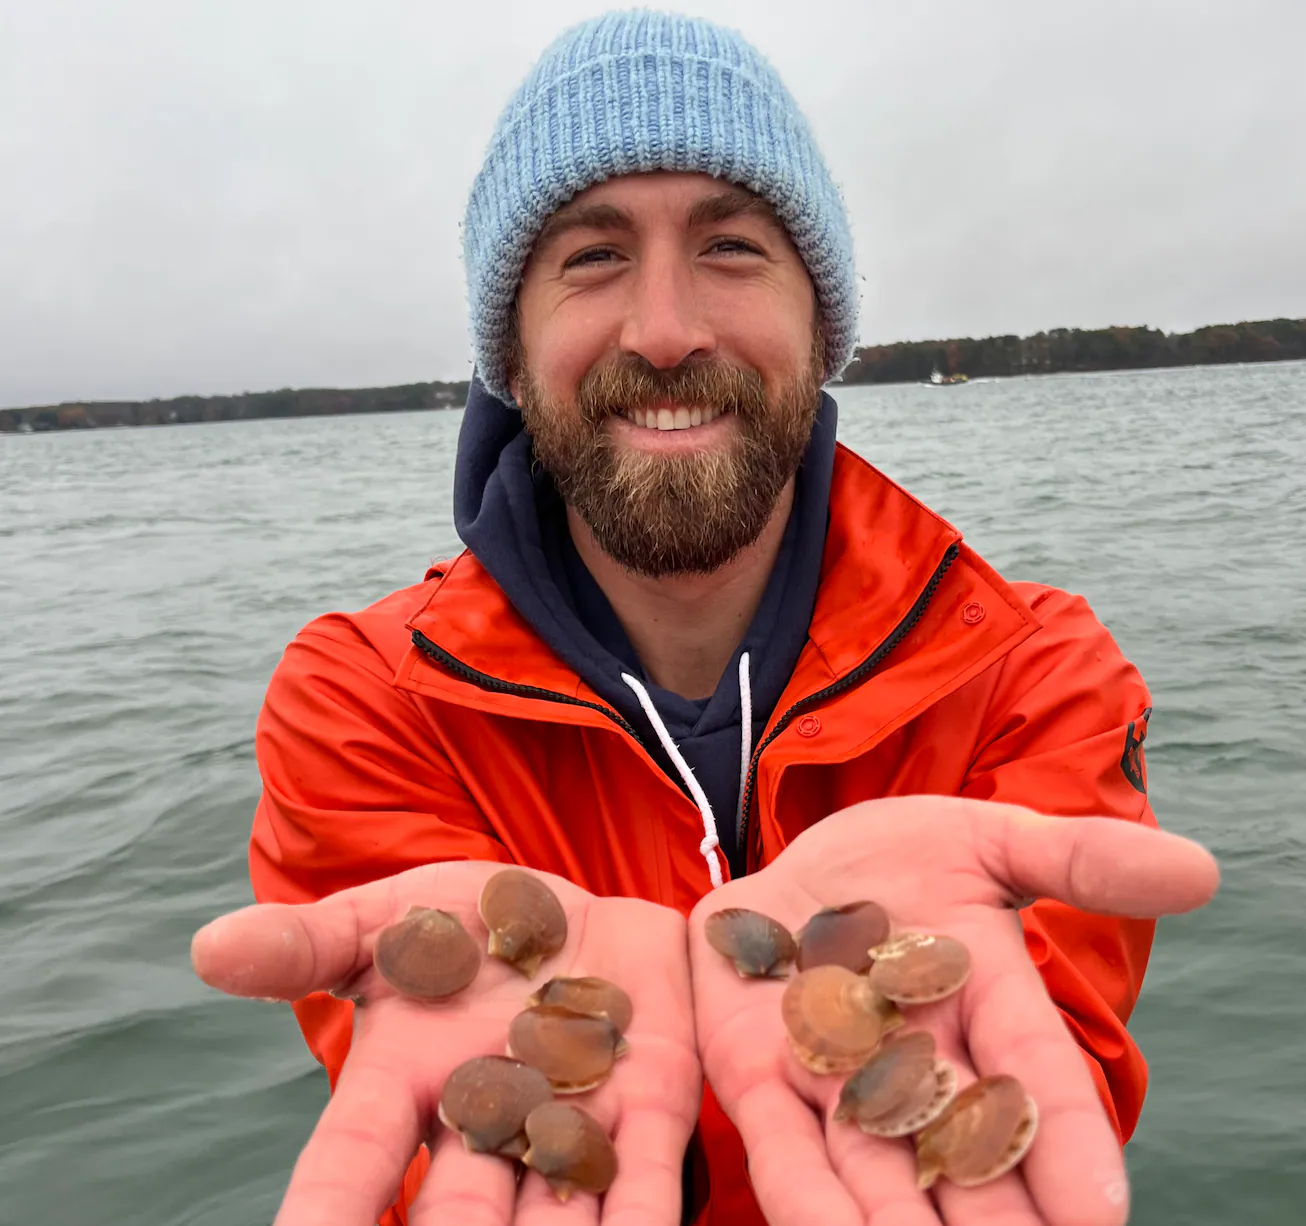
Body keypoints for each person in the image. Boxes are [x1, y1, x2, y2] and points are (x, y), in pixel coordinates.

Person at [189, 11, 1220, 1226]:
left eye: (731, 246)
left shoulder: (1034, 672)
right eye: (591, 256)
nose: (665, 329)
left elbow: (1018, 1119)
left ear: (820, 329)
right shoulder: (363, 699)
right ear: (509, 359)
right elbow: (454, 1131)